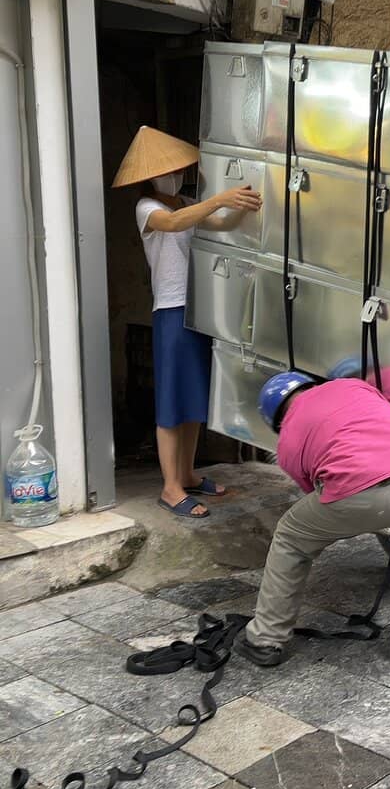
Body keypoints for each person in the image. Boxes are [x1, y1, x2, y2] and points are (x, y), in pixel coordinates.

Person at [234, 372, 390, 670]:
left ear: (276, 420)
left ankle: (266, 639)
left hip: (356, 492)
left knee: (290, 537)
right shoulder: (352, 385)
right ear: (309, 385)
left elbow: (319, 493)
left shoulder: (287, 443)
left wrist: (368, 512)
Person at [112, 126, 262, 519]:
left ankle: (188, 475)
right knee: (172, 404)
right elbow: (175, 223)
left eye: (179, 169)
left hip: (198, 309)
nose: (175, 176)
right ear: (150, 178)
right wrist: (219, 199)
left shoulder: (186, 201)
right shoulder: (148, 208)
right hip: (171, 310)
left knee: (194, 400)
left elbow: (220, 224)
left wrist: (244, 203)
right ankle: (170, 487)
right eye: (168, 171)